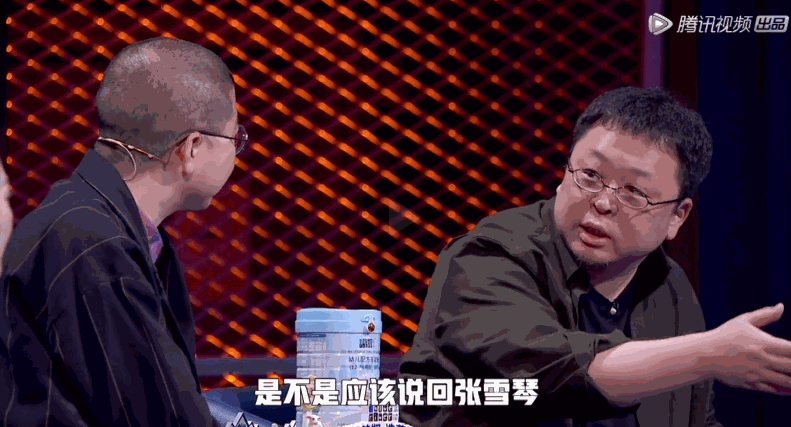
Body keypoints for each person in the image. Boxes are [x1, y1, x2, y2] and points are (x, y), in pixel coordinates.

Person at [399, 87, 791, 427]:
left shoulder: (670, 289)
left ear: (677, 216)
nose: (603, 203)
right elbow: (554, 373)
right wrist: (707, 353)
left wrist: (707, 355)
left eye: (634, 193)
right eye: (589, 176)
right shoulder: (488, 256)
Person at [1, 37, 248, 426]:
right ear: (192, 147)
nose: (237, 152)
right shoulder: (93, 242)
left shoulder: (95, 221)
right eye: (235, 138)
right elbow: (159, 417)